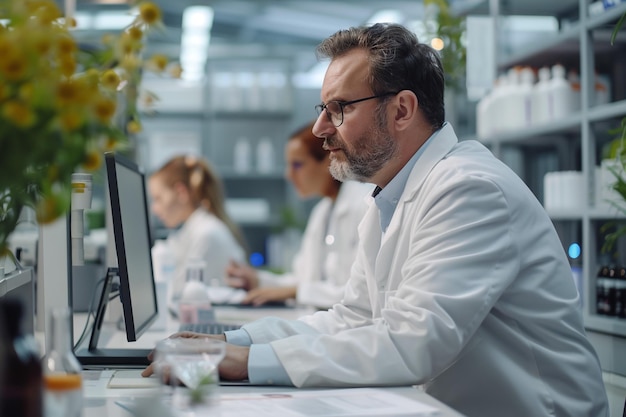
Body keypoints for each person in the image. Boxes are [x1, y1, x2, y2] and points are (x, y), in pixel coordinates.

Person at [144, 23, 609, 417]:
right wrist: (232, 340)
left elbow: (412, 342)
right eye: (322, 109)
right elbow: (352, 318)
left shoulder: (469, 188)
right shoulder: (389, 195)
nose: (320, 129)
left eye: (339, 109)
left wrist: (244, 362)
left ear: (402, 110)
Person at [226, 122, 372, 308]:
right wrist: (257, 280)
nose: (289, 175)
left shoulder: (363, 204)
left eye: (297, 164)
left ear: (329, 158)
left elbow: (359, 293)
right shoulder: (322, 212)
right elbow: (302, 280)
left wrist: (296, 292)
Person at [148, 155, 247, 310]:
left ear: (181, 192)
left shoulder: (206, 234)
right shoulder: (188, 231)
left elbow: (176, 294)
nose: (154, 208)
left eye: (158, 198)